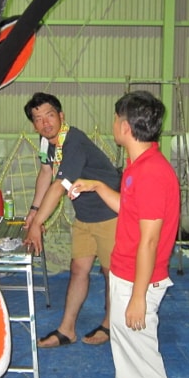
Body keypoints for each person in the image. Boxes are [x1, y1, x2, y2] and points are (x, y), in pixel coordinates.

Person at [69, 90, 180, 378]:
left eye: (116, 119)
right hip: (126, 272)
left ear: (125, 127)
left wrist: (139, 297)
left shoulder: (151, 173)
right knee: (127, 345)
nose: (113, 124)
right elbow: (129, 208)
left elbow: (150, 241)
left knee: (141, 353)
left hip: (137, 279)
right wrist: (98, 186)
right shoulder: (137, 165)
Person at [22, 92, 121, 348]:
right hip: (84, 215)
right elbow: (46, 173)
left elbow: (58, 187)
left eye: (49, 115)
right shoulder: (46, 143)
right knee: (78, 269)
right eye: (38, 119)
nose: (45, 123)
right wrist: (34, 210)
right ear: (34, 125)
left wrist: (37, 225)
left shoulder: (73, 141)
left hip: (110, 215)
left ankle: (109, 325)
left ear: (61, 116)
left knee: (111, 273)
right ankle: (67, 330)